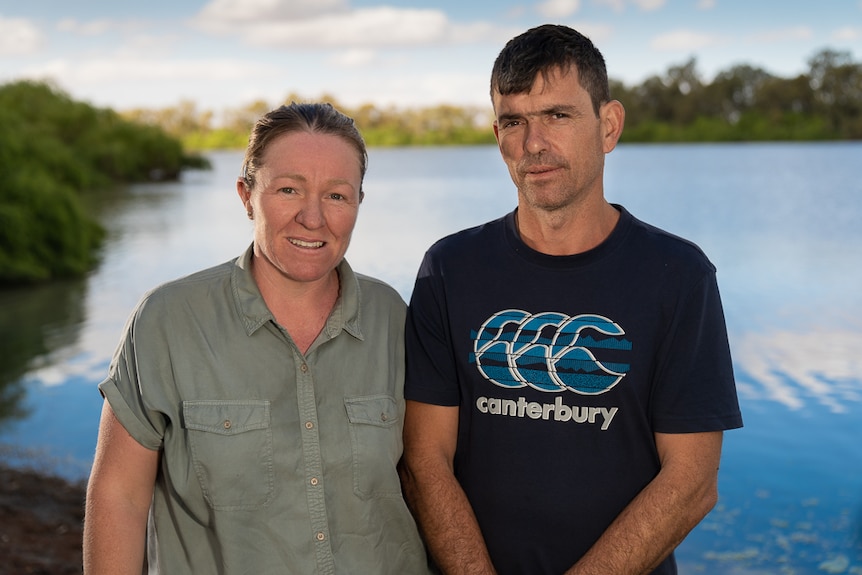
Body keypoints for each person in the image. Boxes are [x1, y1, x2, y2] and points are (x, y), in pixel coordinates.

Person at [399, 24, 743, 575]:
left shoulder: (678, 276)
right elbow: (424, 460)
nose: (534, 143)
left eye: (558, 116)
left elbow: (692, 482)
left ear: (608, 126)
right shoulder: (451, 268)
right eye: (514, 121)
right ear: (498, 135)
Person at [83, 102, 431, 574]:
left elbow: (426, 474)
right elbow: (119, 497)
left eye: (336, 196)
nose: (313, 218)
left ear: (358, 204)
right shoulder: (167, 321)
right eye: (289, 190)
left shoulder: (394, 317)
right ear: (247, 195)